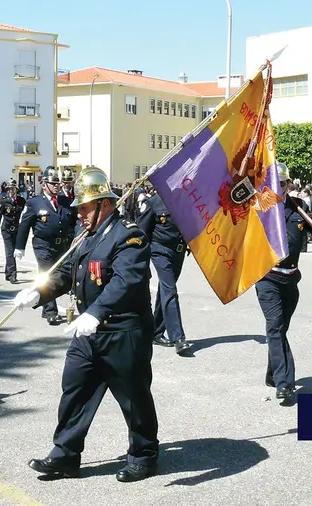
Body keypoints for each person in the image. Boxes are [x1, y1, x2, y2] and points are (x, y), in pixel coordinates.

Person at [14, 166, 160, 483]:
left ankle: (144, 455)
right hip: (87, 333)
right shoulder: (86, 236)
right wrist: (38, 294)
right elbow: (65, 274)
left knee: (133, 397)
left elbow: (126, 281)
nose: (79, 213)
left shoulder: (129, 235)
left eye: (84, 207)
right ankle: (65, 455)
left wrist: (97, 312)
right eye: (78, 208)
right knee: (75, 390)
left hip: (122, 332)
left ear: (103, 204)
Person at [257, 162, 312, 405]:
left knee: (281, 328)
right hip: (267, 277)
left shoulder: (298, 207)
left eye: (283, 184)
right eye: (275, 184)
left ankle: (273, 374)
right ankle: (285, 384)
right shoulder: (261, 208)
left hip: (291, 278)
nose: (279, 188)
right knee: (275, 327)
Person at [14, 167, 76, 325]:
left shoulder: (65, 201)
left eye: (57, 183)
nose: (56, 186)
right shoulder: (34, 203)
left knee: (60, 275)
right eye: (52, 183)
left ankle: (46, 305)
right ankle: (50, 311)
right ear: (44, 185)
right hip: (43, 245)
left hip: (62, 245)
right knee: (47, 274)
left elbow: (74, 222)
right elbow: (24, 225)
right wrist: (19, 247)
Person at [136, 187, 191, 355]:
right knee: (170, 290)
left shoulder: (186, 201)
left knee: (166, 290)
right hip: (160, 250)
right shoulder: (154, 202)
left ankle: (156, 332)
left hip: (179, 251)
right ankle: (178, 337)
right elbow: (142, 231)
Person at [0, 179, 25, 284]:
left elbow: (25, 214)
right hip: (6, 229)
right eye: (9, 189)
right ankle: (12, 275)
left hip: (16, 229)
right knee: (10, 252)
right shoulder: (4, 200)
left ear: (16, 190)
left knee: (13, 251)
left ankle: (7, 273)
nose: (10, 191)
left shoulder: (21, 201)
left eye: (12, 189)